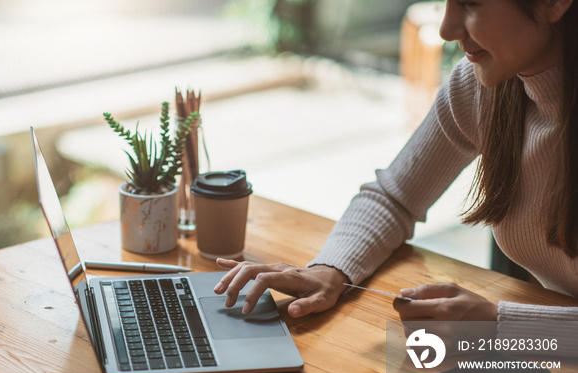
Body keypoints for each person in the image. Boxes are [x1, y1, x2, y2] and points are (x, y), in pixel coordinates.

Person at [213, 0, 578, 326]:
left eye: (470, 4)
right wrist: (329, 270)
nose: (446, 29)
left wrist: (501, 325)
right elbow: (395, 197)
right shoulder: (484, 89)